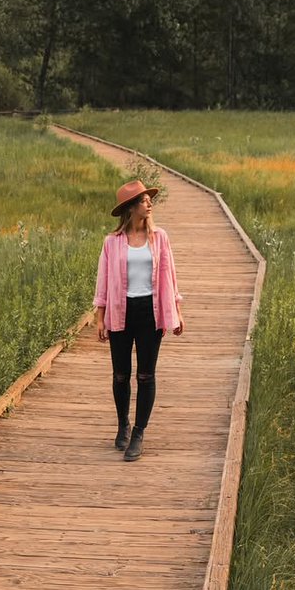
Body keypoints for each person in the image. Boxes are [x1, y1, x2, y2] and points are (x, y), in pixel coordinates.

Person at [93, 178, 184, 461]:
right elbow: (103, 281)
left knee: (146, 375)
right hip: (121, 311)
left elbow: (170, 275)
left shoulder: (160, 238)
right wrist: (100, 317)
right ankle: (123, 425)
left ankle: (138, 434)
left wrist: (177, 311)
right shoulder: (112, 242)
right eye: (144, 200)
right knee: (120, 375)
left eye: (148, 199)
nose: (149, 203)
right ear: (131, 208)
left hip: (150, 312)